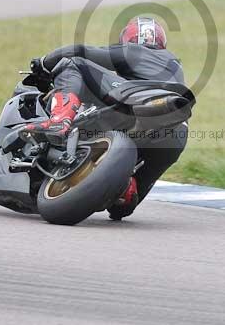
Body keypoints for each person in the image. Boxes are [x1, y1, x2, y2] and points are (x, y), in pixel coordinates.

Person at [25, 16, 188, 220]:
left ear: (128, 38)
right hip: (178, 130)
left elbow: (78, 50)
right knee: (124, 207)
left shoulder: (134, 50)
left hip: (138, 99)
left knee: (73, 63)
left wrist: (42, 63)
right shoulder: (175, 65)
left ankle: (60, 119)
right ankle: (126, 190)